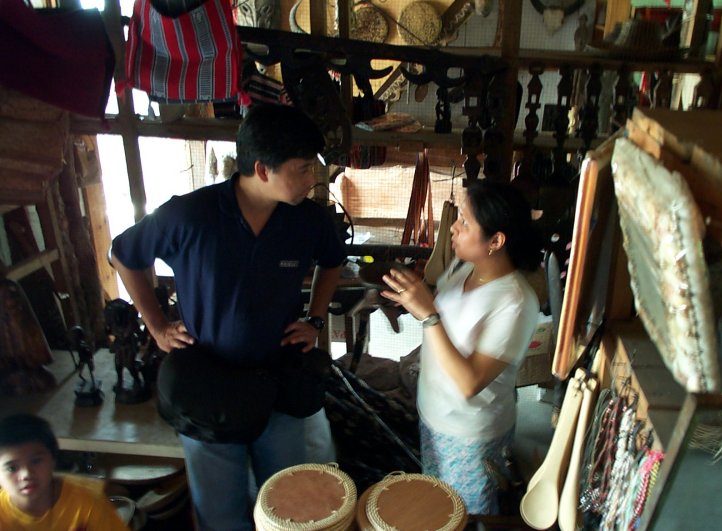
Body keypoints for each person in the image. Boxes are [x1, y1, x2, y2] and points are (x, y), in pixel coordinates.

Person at [110, 103, 345, 530]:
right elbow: (124, 254)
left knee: (289, 504)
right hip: (208, 389)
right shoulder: (190, 215)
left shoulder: (309, 220)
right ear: (262, 169)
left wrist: (314, 318)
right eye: (302, 168)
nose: (313, 180)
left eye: (314, 168)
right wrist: (157, 324)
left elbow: (333, 263)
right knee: (221, 514)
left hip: (278, 382)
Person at [381, 180, 541, 514]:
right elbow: (443, 323)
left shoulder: (515, 302)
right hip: (434, 415)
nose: (453, 226)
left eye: (465, 222)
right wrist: (406, 302)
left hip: (470, 436)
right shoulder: (463, 267)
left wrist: (428, 315)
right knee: (437, 506)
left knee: (467, 516)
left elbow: (470, 383)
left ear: (495, 241)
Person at [0, 413, 128, 531]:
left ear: (53, 460)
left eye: (36, 461)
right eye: (12, 468)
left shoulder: (87, 503)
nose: (26, 474)